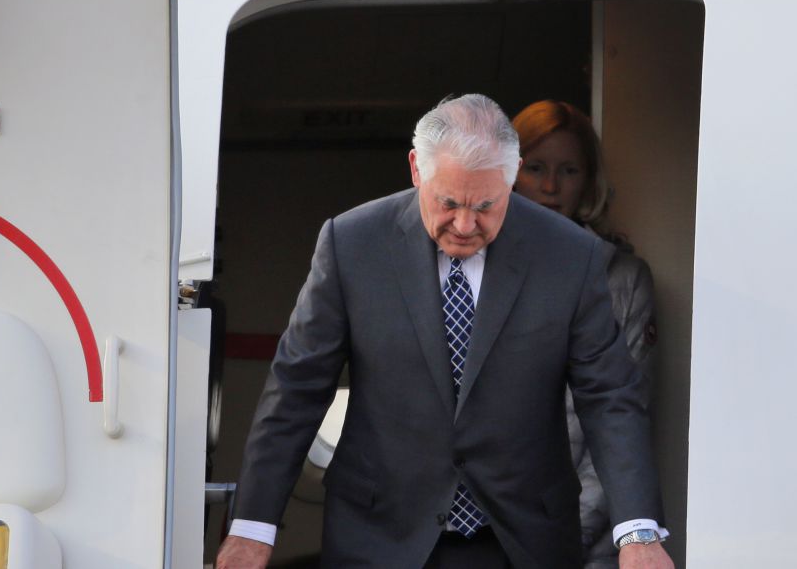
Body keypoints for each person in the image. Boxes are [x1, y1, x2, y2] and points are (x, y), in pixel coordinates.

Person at [216, 94, 672, 569]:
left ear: (512, 175)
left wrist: (637, 532)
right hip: (379, 537)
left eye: (486, 206)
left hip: (520, 540)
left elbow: (610, 397)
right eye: (449, 202)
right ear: (417, 169)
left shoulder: (571, 256)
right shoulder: (351, 244)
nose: (465, 224)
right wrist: (253, 529)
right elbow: (297, 389)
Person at [512, 100, 658, 568]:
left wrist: (561, 537)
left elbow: (619, 421)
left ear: (588, 181)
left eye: (568, 170)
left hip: (583, 546)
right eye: (535, 168)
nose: (551, 187)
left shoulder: (624, 280)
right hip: (487, 538)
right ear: (508, 174)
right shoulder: (470, 269)